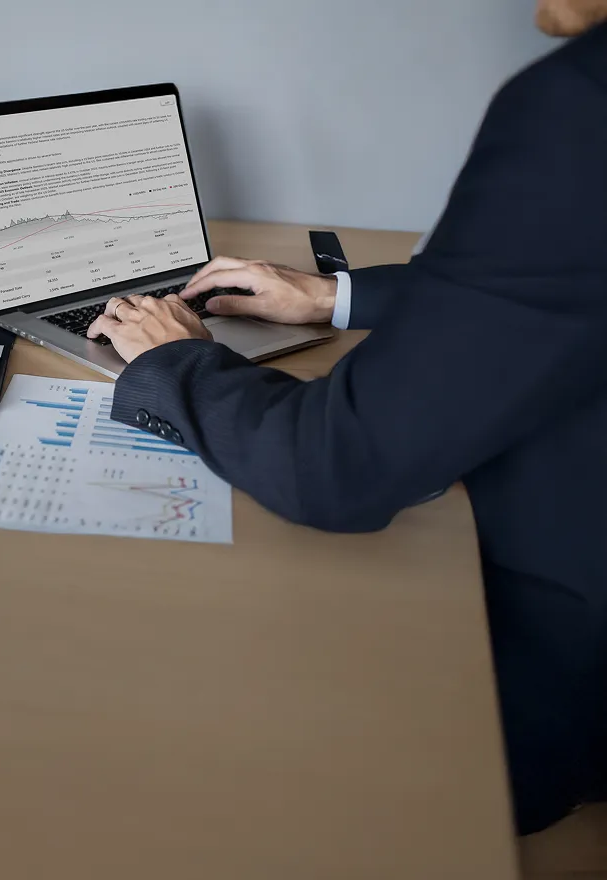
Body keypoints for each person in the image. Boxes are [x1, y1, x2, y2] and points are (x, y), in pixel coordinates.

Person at [88, 1, 607, 836]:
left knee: (181, 706)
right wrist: (337, 297)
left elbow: (334, 468)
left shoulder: (584, 106)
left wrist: (172, 360)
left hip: (562, 681)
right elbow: (566, 278)